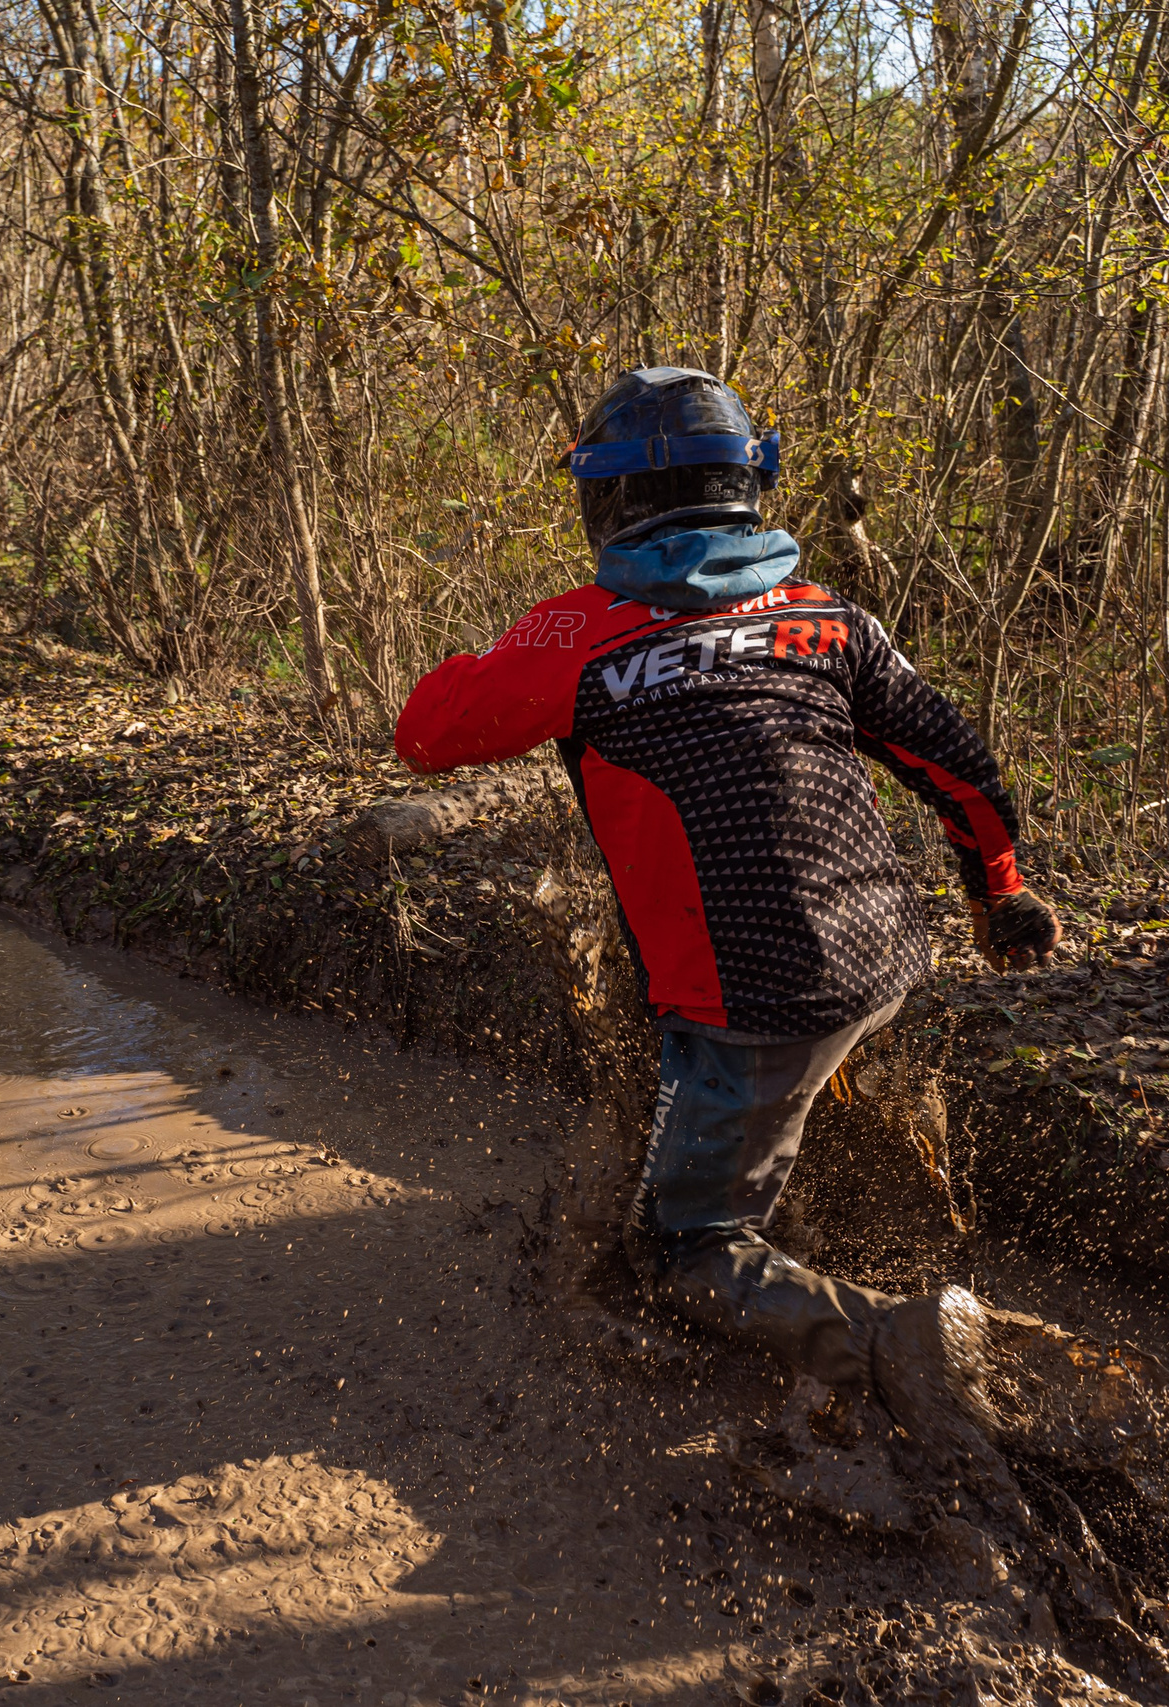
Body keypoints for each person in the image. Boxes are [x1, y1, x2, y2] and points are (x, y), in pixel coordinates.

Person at [391, 366, 1059, 1502]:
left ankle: (884, 1342)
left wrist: (535, 637)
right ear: (751, 486)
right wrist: (998, 889)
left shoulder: (584, 638)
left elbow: (425, 733)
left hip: (749, 995)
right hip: (885, 955)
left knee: (681, 1252)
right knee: (762, 1061)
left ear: (606, 505)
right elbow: (961, 766)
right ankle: (773, 1176)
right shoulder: (828, 620)